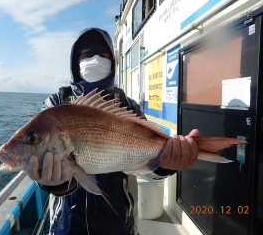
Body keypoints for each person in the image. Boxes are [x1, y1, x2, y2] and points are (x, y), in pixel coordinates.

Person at [27, 27, 199, 235]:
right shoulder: (57, 103)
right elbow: (37, 149)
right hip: (68, 225)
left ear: (113, 63)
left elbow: (147, 171)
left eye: (103, 55)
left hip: (120, 223)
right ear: (75, 63)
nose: (96, 60)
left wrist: (165, 166)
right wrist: (51, 183)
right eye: (87, 55)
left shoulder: (128, 105)